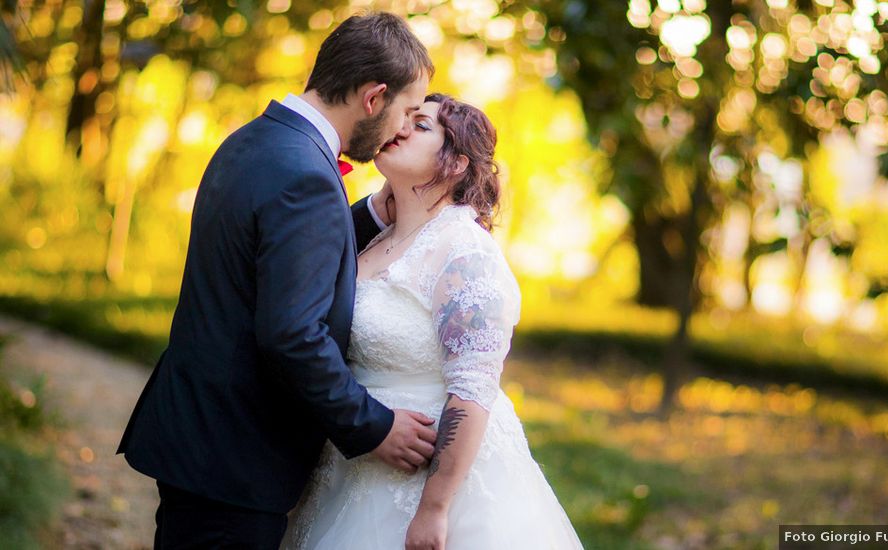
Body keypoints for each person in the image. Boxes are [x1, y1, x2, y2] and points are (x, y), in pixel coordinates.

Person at [117, 13, 439, 549]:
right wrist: (374, 426)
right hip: (235, 459)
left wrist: (373, 217)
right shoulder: (305, 175)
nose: (404, 128)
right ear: (373, 97)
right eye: (406, 111)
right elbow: (293, 334)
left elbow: (272, 254)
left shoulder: (258, 140)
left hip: (201, 436)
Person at [283, 94, 584, 549]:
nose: (399, 127)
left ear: (456, 164)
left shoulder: (465, 251)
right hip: (355, 465)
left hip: (428, 482)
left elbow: (473, 387)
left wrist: (435, 507)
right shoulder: (376, 243)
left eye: (420, 125)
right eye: (405, 117)